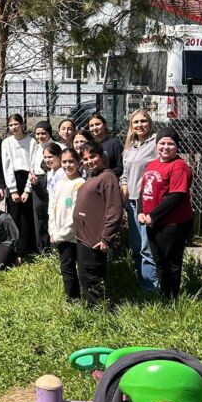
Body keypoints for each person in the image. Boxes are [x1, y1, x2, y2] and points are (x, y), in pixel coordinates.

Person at [139, 127, 195, 299]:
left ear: (177, 146)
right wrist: (142, 212)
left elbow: (176, 196)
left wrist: (153, 215)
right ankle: (164, 295)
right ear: (156, 146)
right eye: (162, 143)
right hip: (152, 222)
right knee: (159, 261)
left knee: (171, 262)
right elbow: (144, 192)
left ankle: (172, 298)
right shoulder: (152, 164)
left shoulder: (179, 166)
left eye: (170, 144)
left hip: (172, 224)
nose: (165, 147)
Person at [74, 142, 124, 307]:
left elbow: (114, 209)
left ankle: (105, 309)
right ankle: (92, 307)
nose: (89, 161)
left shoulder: (107, 177)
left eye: (93, 156)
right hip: (83, 236)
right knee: (85, 275)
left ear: (102, 156)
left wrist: (106, 237)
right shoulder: (93, 175)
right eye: (86, 159)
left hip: (95, 238)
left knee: (92, 276)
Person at [120, 110, 159, 292]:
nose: (139, 125)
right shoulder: (129, 147)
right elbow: (125, 175)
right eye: (135, 122)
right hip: (133, 202)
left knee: (146, 248)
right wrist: (123, 200)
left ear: (149, 123)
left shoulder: (156, 143)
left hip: (149, 202)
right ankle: (141, 282)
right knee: (136, 247)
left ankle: (151, 289)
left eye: (143, 121)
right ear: (131, 126)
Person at [49, 148, 86, 301]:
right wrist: (52, 229)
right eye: (64, 161)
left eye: (71, 161)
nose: (67, 165)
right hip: (59, 235)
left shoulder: (80, 184)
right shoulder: (59, 183)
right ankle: (72, 298)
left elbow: (76, 214)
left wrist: (60, 234)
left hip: (74, 235)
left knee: (81, 268)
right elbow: (52, 207)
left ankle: (88, 297)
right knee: (67, 267)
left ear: (79, 163)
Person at [1, 113, 36, 255]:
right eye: (11, 125)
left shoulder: (32, 142)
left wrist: (27, 189)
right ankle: (15, 250)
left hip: (28, 179)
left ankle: (29, 249)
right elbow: (7, 166)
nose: (14, 127)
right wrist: (13, 189)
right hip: (14, 180)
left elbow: (33, 165)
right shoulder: (6, 143)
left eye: (16, 124)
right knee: (14, 215)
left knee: (27, 216)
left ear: (22, 124)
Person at [28, 121, 56, 253]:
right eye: (37, 134)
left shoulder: (57, 146)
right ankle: (43, 250)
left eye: (43, 133)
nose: (40, 136)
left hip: (53, 180)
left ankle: (55, 248)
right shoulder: (35, 147)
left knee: (53, 214)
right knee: (39, 216)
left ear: (49, 133)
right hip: (37, 181)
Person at [88, 114, 124, 178]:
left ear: (105, 125)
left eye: (98, 124)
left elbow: (120, 167)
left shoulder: (114, 143)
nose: (94, 128)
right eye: (91, 125)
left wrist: (104, 175)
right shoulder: (90, 144)